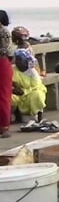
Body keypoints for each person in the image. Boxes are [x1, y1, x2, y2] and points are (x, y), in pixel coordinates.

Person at [11, 49, 47, 122]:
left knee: (37, 95)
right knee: (10, 97)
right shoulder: (13, 69)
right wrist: (14, 88)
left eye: (20, 60)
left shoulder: (32, 72)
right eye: (17, 60)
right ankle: (12, 116)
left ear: (25, 60)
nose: (18, 62)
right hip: (17, 92)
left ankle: (39, 116)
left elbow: (36, 86)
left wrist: (24, 92)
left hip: (31, 92)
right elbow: (11, 81)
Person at [0, 10, 13, 138]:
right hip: (4, 62)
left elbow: (6, 50)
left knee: (3, 95)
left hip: (2, 63)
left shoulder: (3, 32)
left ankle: (4, 126)